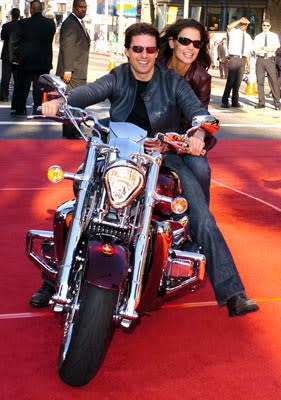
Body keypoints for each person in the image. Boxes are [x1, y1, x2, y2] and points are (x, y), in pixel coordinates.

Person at [30, 22, 258, 318]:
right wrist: (61, 101)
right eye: (137, 49)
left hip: (163, 156)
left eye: (150, 49)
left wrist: (199, 132)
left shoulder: (172, 82)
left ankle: (233, 292)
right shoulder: (119, 76)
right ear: (127, 51)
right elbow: (90, 92)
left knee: (201, 216)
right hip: (119, 153)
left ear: (155, 51)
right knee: (81, 206)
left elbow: (197, 110)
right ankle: (52, 281)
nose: (144, 55)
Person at [158, 18, 212, 204]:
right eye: (184, 41)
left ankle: (200, 221)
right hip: (149, 135)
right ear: (173, 42)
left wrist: (198, 135)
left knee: (201, 169)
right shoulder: (152, 65)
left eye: (197, 44)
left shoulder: (201, 77)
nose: (191, 48)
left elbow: (202, 115)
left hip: (182, 139)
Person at [9, 1, 55, 116]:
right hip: (43, 62)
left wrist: (14, 57)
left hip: (26, 61)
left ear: (31, 10)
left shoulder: (23, 23)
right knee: (40, 88)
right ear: (41, 9)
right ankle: (38, 108)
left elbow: (13, 41)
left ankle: (20, 108)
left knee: (22, 87)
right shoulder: (50, 24)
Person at [56, 0, 91, 139]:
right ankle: (71, 131)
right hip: (73, 72)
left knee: (76, 101)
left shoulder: (77, 22)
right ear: (74, 8)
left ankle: (74, 129)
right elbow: (67, 47)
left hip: (78, 70)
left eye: (85, 7)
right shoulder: (70, 24)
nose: (84, 10)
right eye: (81, 7)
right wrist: (68, 69)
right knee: (73, 101)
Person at [221, 17, 253, 108]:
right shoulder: (234, 32)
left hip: (243, 59)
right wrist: (240, 20)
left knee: (238, 82)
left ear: (247, 26)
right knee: (230, 81)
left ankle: (235, 101)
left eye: (245, 24)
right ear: (240, 24)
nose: (243, 26)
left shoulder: (248, 36)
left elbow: (248, 52)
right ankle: (225, 101)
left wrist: (248, 64)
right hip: (234, 58)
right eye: (242, 24)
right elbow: (229, 26)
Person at [253, 19, 280, 110]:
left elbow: (276, 47)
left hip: (270, 60)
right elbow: (255, 50)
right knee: (260, 81)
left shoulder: (274, 36)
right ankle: (261, 102)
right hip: (260, 60)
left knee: (273, 81)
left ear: (270, 26)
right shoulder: (258, 37)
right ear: (262, 26)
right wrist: (267, 48)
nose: (265, 27)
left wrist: (266, 48)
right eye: (264, 25)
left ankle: (277, 102)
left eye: (267, 25)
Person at [0, 7, 20, 103]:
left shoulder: (6, 26)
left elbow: (2, 37)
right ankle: (17, 97)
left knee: (5, 77)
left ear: (12, 15)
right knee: (18, 78)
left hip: (7, 54)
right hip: (18, 56)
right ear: (19, 15)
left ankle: (4, 96)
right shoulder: (22, 26)